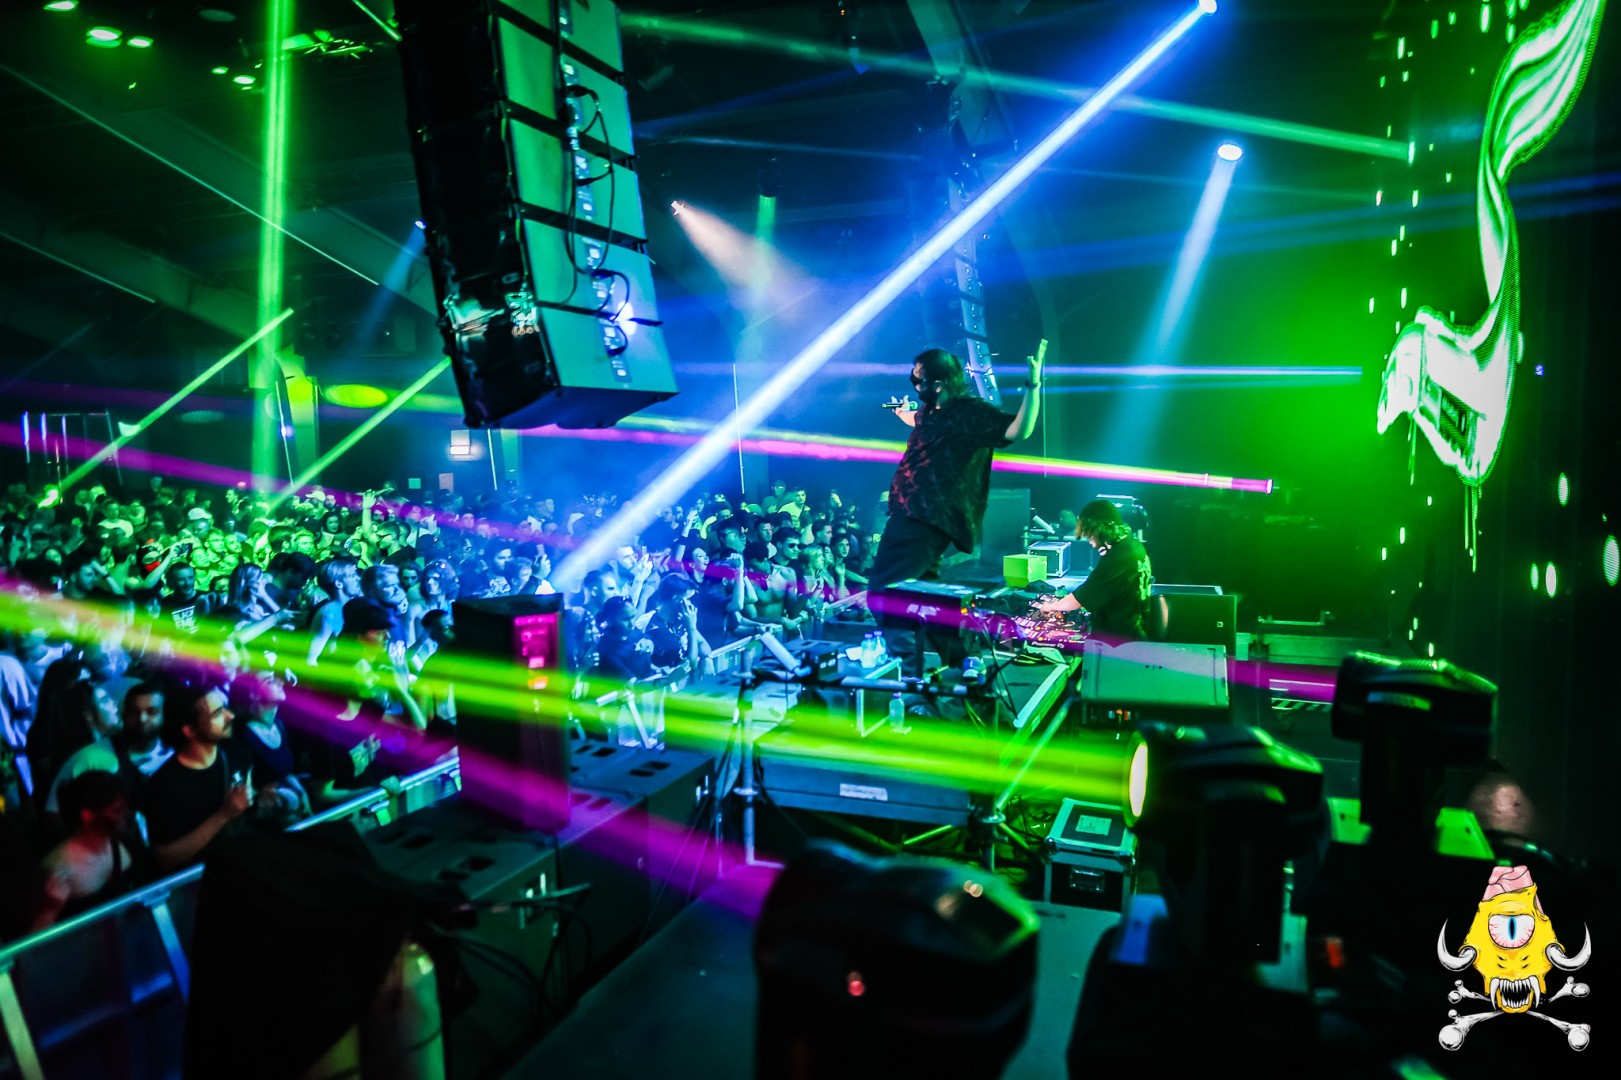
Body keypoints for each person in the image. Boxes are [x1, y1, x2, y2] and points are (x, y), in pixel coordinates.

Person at [869, 347, 1043, 670]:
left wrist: (1033, 387)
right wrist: (902, 413)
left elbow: (1018, 430)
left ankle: (909, 675)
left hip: (923, 517)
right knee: (929, 598)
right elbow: (915, 419)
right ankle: (963, 662)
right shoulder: (929, 411)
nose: (913, 383)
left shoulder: (967, 413)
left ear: (938, 383)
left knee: (886, 594)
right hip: (916, 515)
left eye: (918, 379)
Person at [145, 682, 252, 870]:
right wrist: (223, 815)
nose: (230, 715)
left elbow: (247, 797)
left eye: (224, 708)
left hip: (242, 864)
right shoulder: (164, 786)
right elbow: (164, 857)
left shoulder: (235, 752)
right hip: (204, 877)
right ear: (190, 730)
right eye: (217, 714)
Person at [28, 771, 142, 932]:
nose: (127, 815)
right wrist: (50, 910)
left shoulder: (123, 842)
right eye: (117, 810)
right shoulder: (54, 869)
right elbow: (35, 939)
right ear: (87, 815)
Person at [1032, 499, 1152, 640]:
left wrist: (1052, 607)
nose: (1089, 540)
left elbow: (1081, 598)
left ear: (1100, 529)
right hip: (1135, 630)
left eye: (1090, 533)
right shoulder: (1133, 544)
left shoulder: (1118, 557)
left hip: (1119, 640)